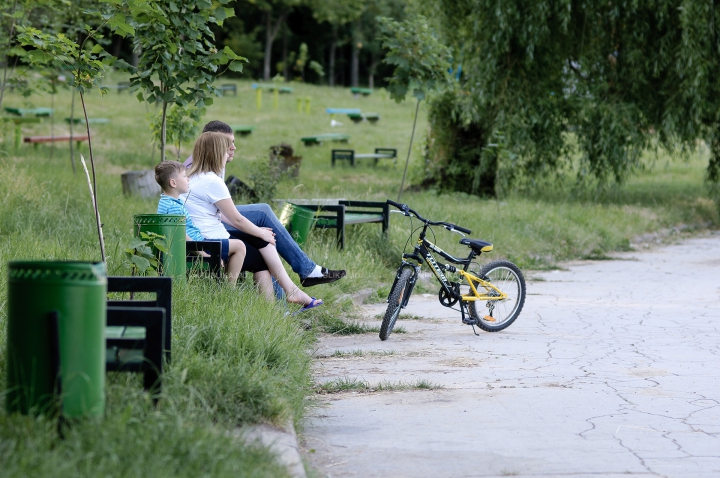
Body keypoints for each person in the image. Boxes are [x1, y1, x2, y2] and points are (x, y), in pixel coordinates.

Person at [184, 120, 345, 287]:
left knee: (263, 225)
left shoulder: (210, 161)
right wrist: (257, 232)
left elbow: (216, 208)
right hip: (201, 227)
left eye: (233, 142)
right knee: (262, 216)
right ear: (214, 144)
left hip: (210, 219)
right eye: (227, 143)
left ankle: (297, 286)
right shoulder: (199, 167)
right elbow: (209, 213)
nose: (233, 148)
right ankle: (306, 273)